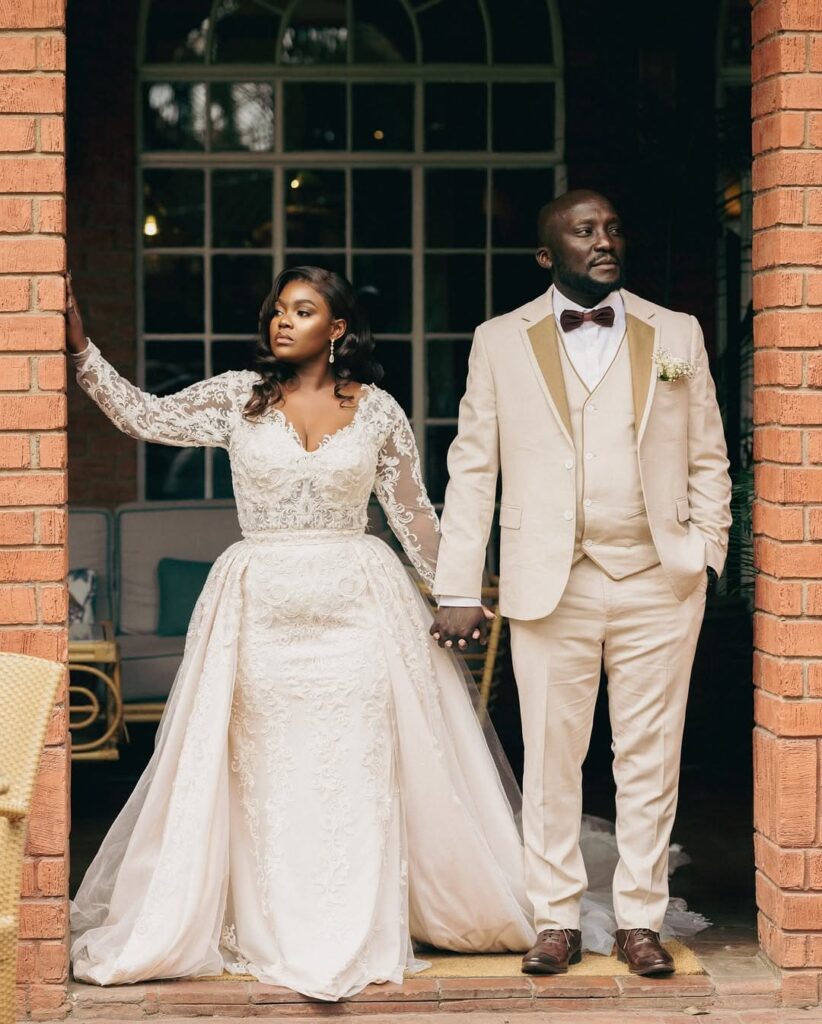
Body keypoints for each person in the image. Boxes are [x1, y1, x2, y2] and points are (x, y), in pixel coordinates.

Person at [431, 190, 731, 977]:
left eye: (613, 229)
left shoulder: (677, 333)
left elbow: (708, 453)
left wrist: (706, 550)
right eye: (585, 230)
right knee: (551, 759)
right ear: (547, 254)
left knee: (650, 758)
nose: (605, 241)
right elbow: (474, 469)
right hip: (548, 580)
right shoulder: (499, 341)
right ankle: (555, 919)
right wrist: (457, 585)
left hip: (657, 577)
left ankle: (641, 921)